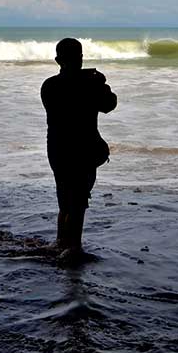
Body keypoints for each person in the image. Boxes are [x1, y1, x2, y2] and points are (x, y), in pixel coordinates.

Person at [41, 38, 117, 256]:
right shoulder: (90, 85)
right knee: (79, 201)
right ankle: (74, 247)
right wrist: (103, 84)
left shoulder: (49, 85)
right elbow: (109, 105)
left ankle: (60, 242)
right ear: (81, 58)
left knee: (64, 199)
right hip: (84, 147)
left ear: (58, 60)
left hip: (57, 148)